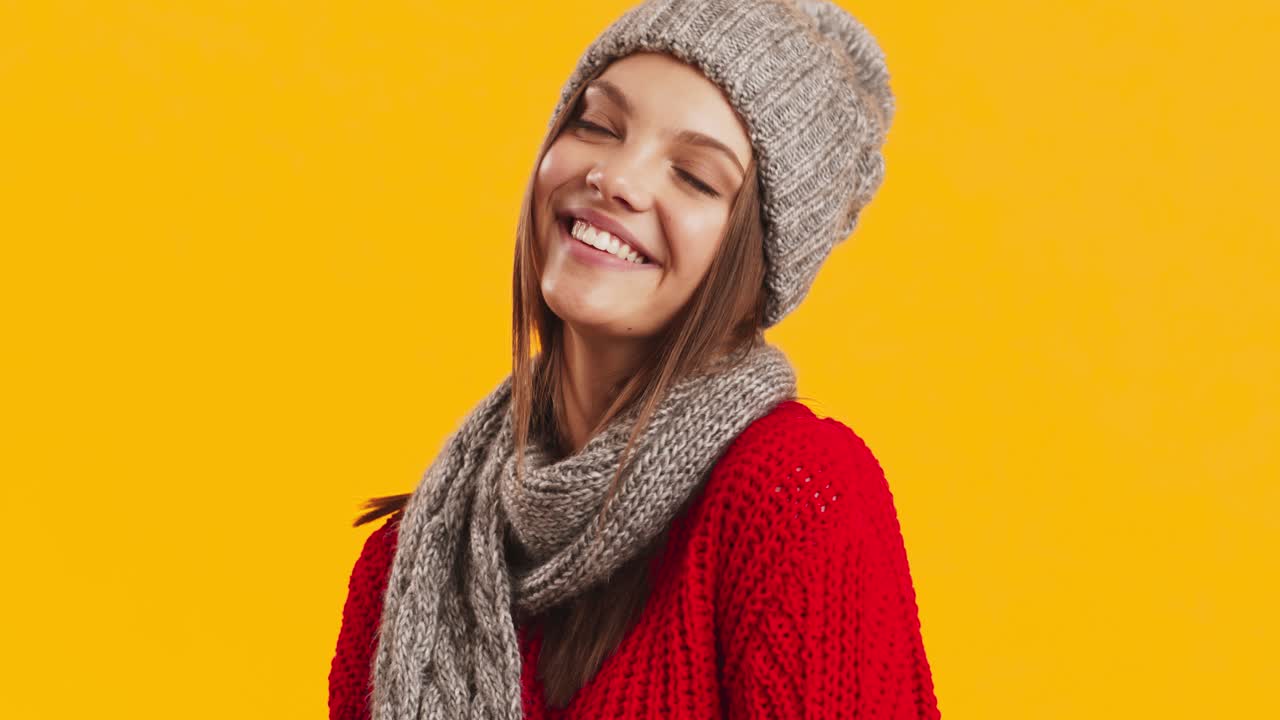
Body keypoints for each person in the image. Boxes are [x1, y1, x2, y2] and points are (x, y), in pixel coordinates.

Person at [329, 1, 941, 718]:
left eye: (695, 176)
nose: (616, 178)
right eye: (597, 125)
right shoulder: (412, 569)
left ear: (757, 262)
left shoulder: (790, 499)